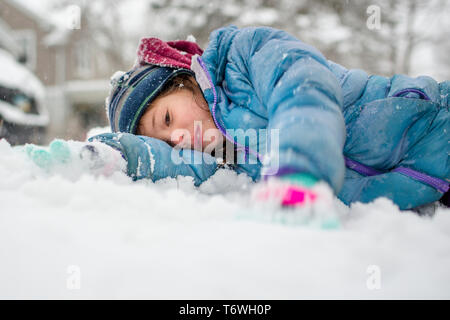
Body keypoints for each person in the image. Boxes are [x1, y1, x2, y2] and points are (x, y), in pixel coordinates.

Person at [90, 24, 450, 211]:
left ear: (184, 80)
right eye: (166, 140)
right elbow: (177, 165)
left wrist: (301, 163)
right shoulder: (224, 155)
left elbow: (302, 84)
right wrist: (120, 154)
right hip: (432, 184)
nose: (179, 138)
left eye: (167, 118)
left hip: (434, 124)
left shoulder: (241, 56)